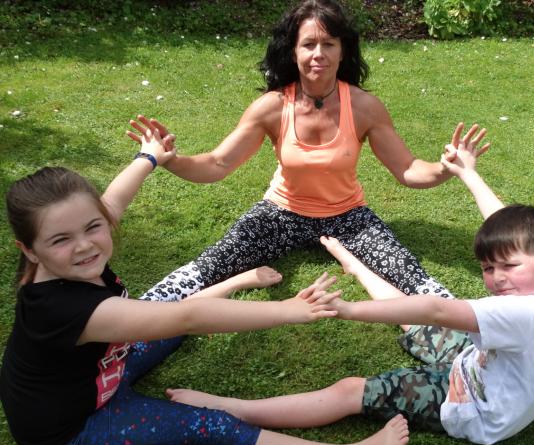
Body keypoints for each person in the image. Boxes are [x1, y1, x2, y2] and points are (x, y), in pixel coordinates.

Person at [0, 129, 411, 445]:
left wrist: (149, 157)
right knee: (210, 426)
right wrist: (287, 310)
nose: (85, 245)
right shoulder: (63, 307)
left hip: (105, 373)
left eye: (92, 227)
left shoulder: (78, 257)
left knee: (166, 328)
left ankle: (238, 280)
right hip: (75, 428)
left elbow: (111, 204)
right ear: (30, 250)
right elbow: (189, 316)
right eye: (60, 240)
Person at [167, 123, 534, 445]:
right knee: (412, 318)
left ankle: (232, 409)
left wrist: (345, 310)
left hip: (477, 406)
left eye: (507, 267)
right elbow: (508, 229)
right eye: (490, 269)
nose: (497, 279)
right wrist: (468, 174)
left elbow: (433, 308)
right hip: (488, 361)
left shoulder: (520, 310)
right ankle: (357, 266)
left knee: (351, 390)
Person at [126, 0, 489, 307]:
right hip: (281, 213)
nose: (319, 54)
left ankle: (472, 332)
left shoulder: (364, 107)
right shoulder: (270, 107)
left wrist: (445, 169)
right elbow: (218, 164)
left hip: (349, 217)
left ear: (342, 50)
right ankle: (138, 316)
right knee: (210, 265)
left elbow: (408, 170)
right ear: (293, 50)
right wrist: (170, 160)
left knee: (410, 275)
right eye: (308, 44)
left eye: (329, 44)